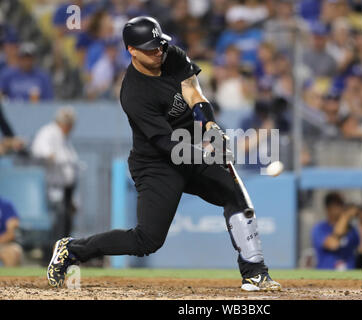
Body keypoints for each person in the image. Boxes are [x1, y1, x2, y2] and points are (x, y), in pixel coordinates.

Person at [47, 16, 281, 292]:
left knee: (236, 196)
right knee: (146, 240)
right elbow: (165, 143)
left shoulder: (171, 56)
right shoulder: (134, 93)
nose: (157, 51)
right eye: (149, 48)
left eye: (159, 45)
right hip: (156, 164)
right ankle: (72, 249)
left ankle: (255, 273)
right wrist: (205, 154)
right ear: (131, 51)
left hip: (191, 148)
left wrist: (211, 126)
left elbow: (193, 92)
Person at [31, 107, 79, 242]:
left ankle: (64, 256)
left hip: (67, 190)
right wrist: (51, 157)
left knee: (66, 224)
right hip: (54, 187)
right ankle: (53, 256)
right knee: (59, 222)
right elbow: (40, 150)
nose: (69, 126)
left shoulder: (65, 139)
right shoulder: (49, 131)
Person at [311, 192, 362, 270]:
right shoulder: (320, 228)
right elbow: (333, 245)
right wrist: (345, 216)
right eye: (337, 205)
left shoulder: (352, 230)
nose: (341, 208)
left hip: (349, 277)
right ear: (328, 208)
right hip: (326, 277)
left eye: (342, 204)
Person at [0, 196, 23, 266]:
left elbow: (10, 234)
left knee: (12, 252)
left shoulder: (5, 205)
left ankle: (10, 277)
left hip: (3, 244)